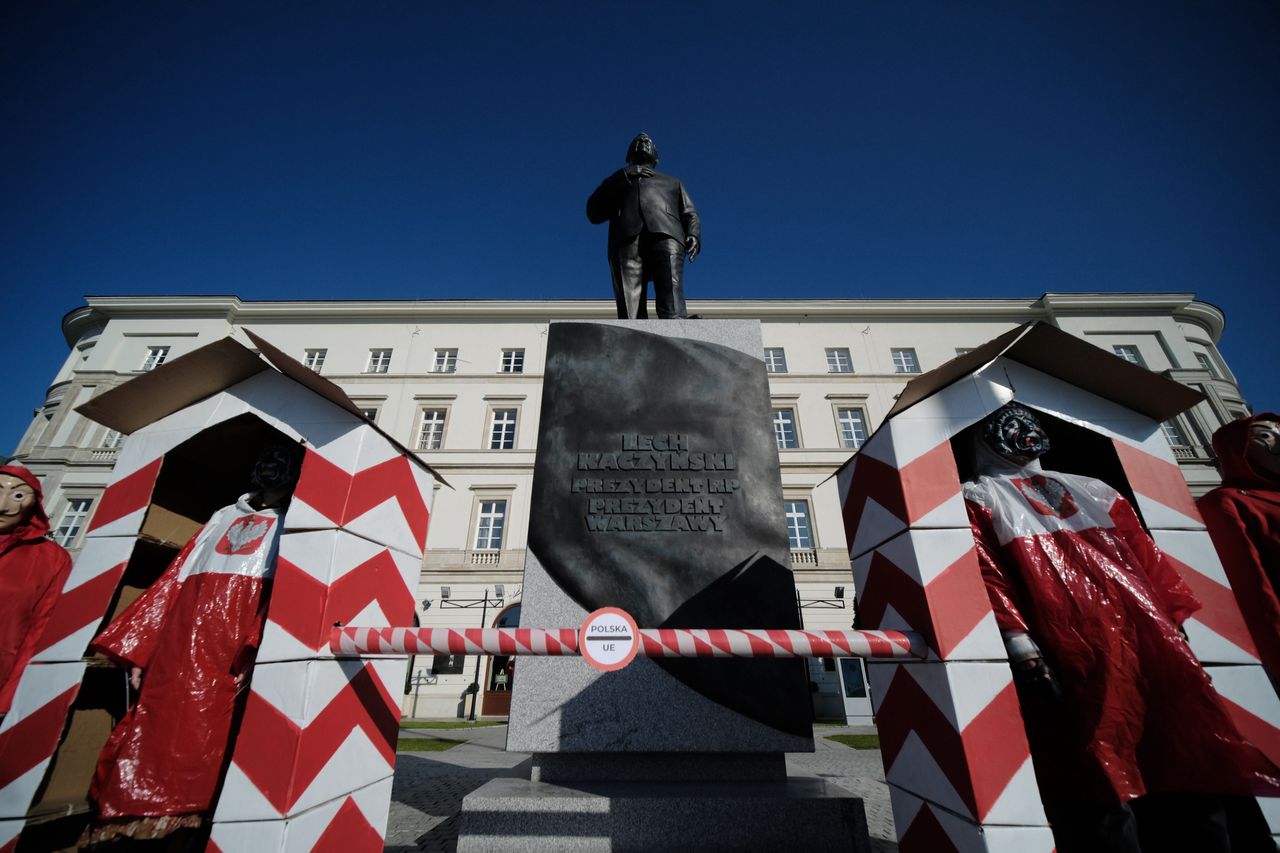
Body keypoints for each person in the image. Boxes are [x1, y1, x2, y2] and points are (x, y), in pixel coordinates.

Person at [964, 403, 1278, 853]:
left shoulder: (1094, 488)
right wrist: (1021, 645)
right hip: (1070, 643)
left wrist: (1173, 622)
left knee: (1186, 749)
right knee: (1098, 764)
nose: (1022, 432)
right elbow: (989, 572)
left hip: (1147, 635)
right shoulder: (980, 496)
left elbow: (1147, 557)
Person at [84, 445, 302, 845]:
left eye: (280, 466)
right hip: (180, 636)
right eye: (266, 462)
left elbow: (283, 594)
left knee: (212, 732)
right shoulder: (223, 515)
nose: (271, 471)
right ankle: (134, 813)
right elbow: (176, 577)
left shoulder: (296, 522)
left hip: (231, 644)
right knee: (152, 721)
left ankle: (192, 815)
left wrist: (255, 648)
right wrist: (142, 647)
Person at [1199, 413, 1280, 694]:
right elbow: (1255, 590)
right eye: (1266, 435)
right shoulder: (1229, 501)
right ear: (1239, 450)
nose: (1278, 440)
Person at [586, 132, 701, 320]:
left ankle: (677, 323)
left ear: (657, 157)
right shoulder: (618, 182)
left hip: (667, 233)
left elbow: (690, 212)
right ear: (628, 156)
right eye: (637, 141)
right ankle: (633, 329)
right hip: (626, 237)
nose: (643, 142)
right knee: (630, 299)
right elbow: (593, 212)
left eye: (648, 142)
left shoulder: (673, 182)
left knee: (670, 285)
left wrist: (694, 234)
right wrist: (622, 176)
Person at [0, 465, 73, 722]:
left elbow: (40, 632)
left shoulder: (52, 559)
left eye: (18, 495)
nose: (3, 505)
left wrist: (8, 698)